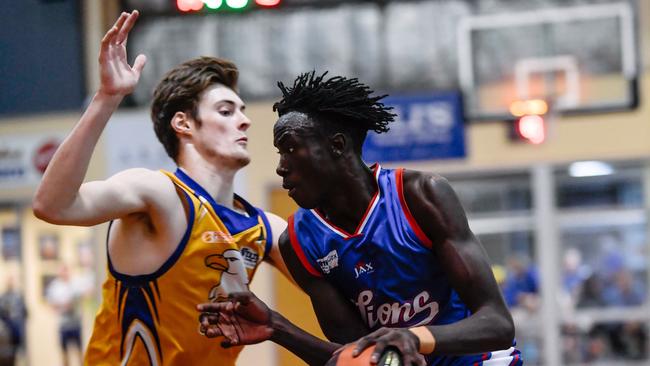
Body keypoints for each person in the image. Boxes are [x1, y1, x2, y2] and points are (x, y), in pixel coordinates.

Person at [198, 72, 523, 365]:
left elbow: (497, 324)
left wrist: (413, 338)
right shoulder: (299, 242)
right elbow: (355, 358)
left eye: (290, 149)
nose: (281, 167)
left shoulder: (421, 195)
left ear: (337, 145)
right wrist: (276, 327)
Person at [32, 10, 290, 366]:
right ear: (184, 123)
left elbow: (344, 282)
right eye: (227, 111)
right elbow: (52, 206)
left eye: (243, 110)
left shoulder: (265, 228)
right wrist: (107, 97)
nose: (245, 119)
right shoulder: (158, 193)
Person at [45, 265, 91, 366]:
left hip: (76, 324)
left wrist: (76, 301)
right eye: (62, 271)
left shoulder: (76, 283)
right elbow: (51, 304)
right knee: (64, 355)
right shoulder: (55, 286)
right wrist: (63, 306)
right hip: (63, 325)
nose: (64, 273)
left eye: (66, 271)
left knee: (79, 353)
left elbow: (87, 294)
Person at [0, 276, 27, 366]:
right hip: (6, 332)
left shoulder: (18, 297)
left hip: (17, 330)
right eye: (9, 282)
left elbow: (25, 312)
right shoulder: (3, 297)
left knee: (16, 355)